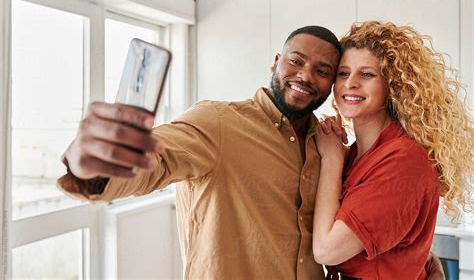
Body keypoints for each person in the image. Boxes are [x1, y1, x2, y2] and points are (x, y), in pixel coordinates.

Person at [57, 26, 444, 279]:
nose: (306, 75)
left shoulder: (326, 144)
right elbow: (156, 160)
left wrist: (424, 263)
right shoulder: (217, 123)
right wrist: (89, 165)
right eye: (296, 61)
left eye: (325, 70)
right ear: (276, 63)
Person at [311, 21, 473, 279]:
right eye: (343, 73)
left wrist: (331, 159)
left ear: (392, 86)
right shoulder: (357, 154)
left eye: (366, 74)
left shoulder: (403, 159)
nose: (350, 83)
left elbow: (326, 250)